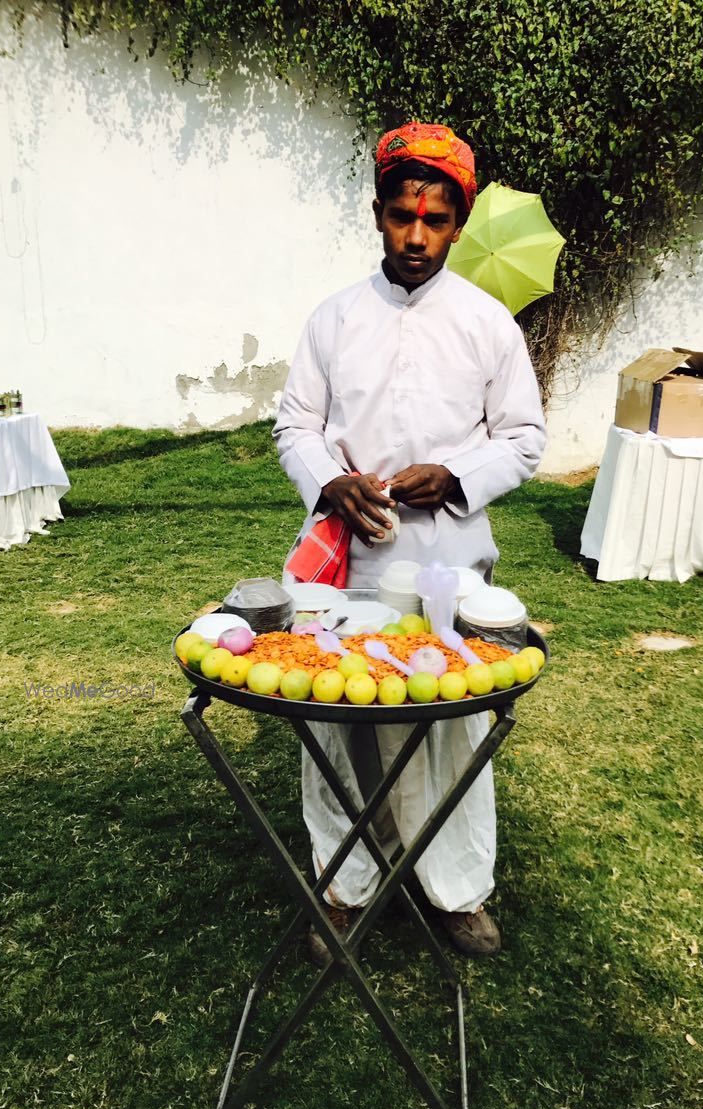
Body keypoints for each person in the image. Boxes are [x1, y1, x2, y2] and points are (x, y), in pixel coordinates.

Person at [273, 122, 546, 964]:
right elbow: (295, 424)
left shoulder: (488, 323)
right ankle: (346, 886)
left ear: (458, 222)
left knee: (448, 727)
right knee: (337, 721)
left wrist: (456, 476)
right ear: (379, 214)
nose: (416, 236)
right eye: (400, 216)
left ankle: (456, 891)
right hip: (346, 569)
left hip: (448, 563)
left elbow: (526, 437)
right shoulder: (335, 317)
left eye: (433, 221)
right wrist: (330, 482)